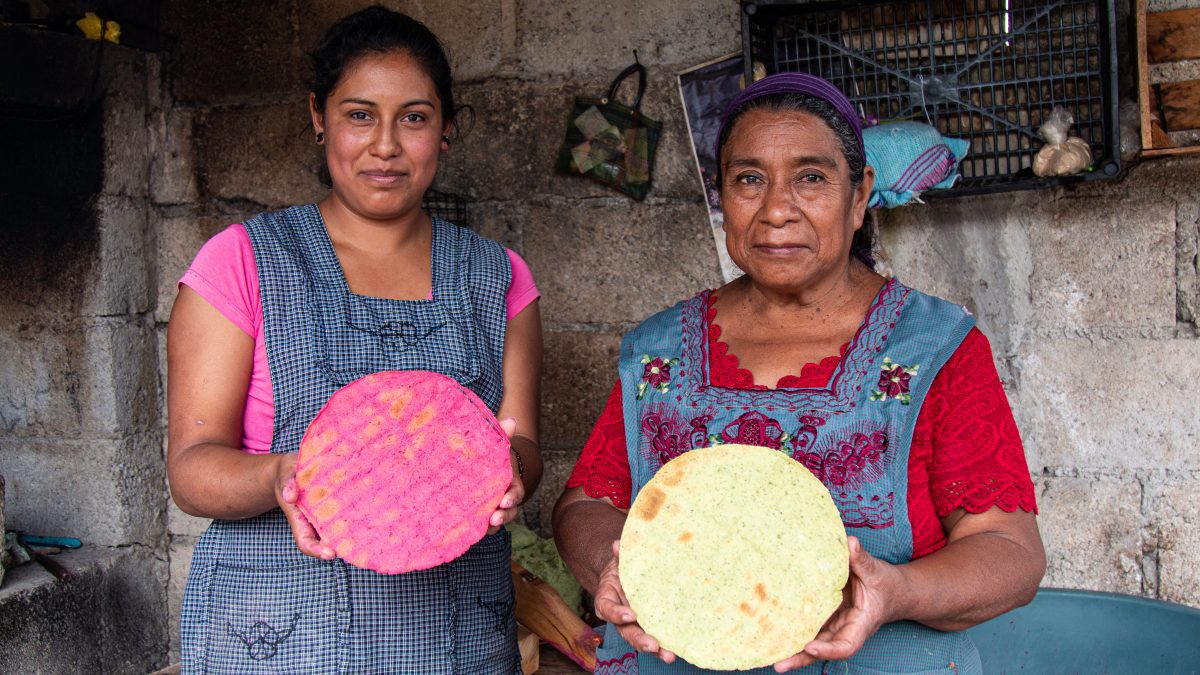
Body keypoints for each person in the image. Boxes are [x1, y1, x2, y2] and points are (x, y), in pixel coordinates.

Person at [552, 72, 1045, 675]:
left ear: (859, 194)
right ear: (721, 195)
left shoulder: (935, 349)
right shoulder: (657, 353)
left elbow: (1010, 553)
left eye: (811, 177)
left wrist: (895, 592)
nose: (777, 210)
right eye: (749, 179)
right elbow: (585, 503)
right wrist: (614, 565)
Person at [166, 7, 542, 673]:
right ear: (320, 116)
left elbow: (525, 447)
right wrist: (286, 474)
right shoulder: (243, 262)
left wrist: (509, 469)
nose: (386, 145)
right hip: (280, 636)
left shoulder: (497, 275)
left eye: (415, 117)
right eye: (360, 114)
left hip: (455, 636)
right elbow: (193, 468)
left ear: (447, 127)